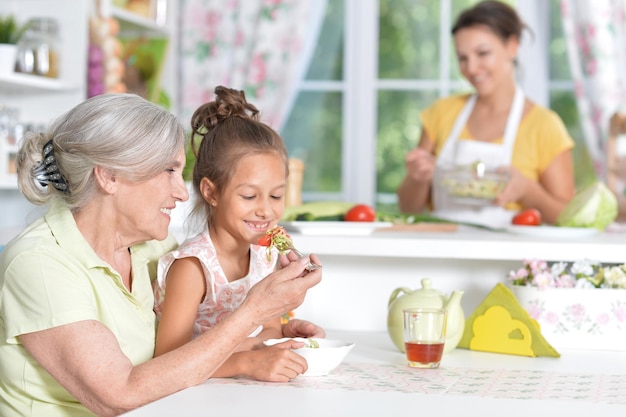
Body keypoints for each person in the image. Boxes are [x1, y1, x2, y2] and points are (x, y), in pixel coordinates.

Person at [0, 93, 323, 417]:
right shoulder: (39, 264)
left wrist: (273, 335)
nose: (182, 192)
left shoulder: (153, 246)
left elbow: (195, 345)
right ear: (110, 176)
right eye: (169, 170)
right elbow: (118, 394)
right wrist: (253, 313)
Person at [152, 86, 324, 382]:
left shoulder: (264, 256)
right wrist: (247, 363)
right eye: (249, 196)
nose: (265, 211)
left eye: (276, 196)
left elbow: (267, 330)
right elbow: (168, 361)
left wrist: (288, 338)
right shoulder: (192, 268)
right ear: (211, 191)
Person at [397, 0, 575, 227]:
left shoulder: (545, 125)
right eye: (462, 58)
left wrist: (528, 191)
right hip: (440, 249)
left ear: (512, 46)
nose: (471, 68)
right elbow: (407, 208)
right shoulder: (441, 113)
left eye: (482, 53)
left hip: (509, 257)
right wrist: (417, 178)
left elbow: (569, 218)